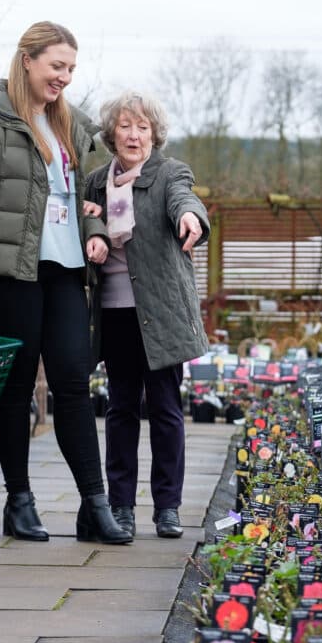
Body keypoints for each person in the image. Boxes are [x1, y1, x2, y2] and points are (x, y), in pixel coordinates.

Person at [0, 21, 131, 545]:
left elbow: (79, 197)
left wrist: (94, 231)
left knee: (71, 378)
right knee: (17, 384)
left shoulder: (69, 122)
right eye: (56, 66)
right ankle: (18, 502)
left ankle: (94, 506)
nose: (64, 77)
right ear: (27, 60)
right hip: (5, 272)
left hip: (64, 268)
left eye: (70, 68)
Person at [83, 91, 210, 540]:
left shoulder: (169, 173)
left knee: (165, 409)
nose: (134, 135)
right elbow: (83, 219)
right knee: (119, 409)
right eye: (125, 126)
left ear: (154, 134)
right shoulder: (95, 181)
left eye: (142, 127)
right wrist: (93, 231)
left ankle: (168, 508)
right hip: (115, 312)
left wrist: (191, 219)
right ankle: (120, 506)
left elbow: (184, 199)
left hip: (162, 313)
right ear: (111, 134)